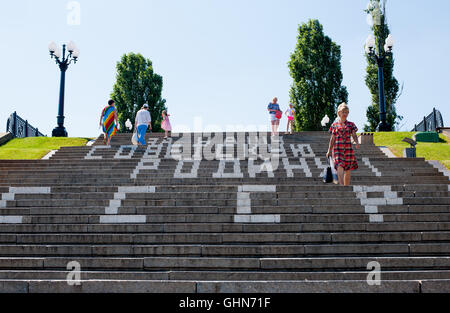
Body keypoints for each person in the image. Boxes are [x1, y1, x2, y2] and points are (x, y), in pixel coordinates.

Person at [326, 103, 360, 186]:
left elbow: (354, 135)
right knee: (339, 165)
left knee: (348, 169)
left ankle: (346, 186)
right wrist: (329, 150)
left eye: (346, 112)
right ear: (339, 113)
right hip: (337, 149)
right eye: (343, 112)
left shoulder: (351, 124)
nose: (345, 114)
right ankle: (341, 185)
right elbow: (332, 139)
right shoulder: (334, 125)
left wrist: (357, 142)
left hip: (348, 149)